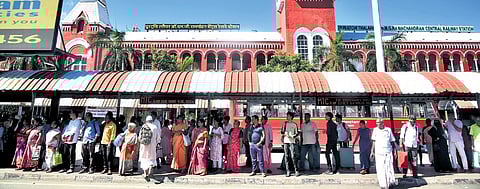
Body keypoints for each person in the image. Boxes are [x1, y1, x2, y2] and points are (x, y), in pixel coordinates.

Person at [371, 118, 397, 189]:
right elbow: (374, 141)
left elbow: (392, 141)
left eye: (379, 122)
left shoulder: (388, 130)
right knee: (380, 169)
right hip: (379, 153)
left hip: (388, 152)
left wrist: (395, 151)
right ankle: (383, 185)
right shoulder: (375, 130)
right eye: (376, 123)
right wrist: (372, 152)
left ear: (382, 123)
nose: (377, 124)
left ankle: (390, 183)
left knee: (389, 168)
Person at [138, 116, 161, 181]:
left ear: (146, 120)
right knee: (151, 158)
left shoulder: (143, 126)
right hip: (152, 146)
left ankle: (145, 173)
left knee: (144, 159)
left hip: (144, 146)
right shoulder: (155, 127)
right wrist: (157, 143)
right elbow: (158, 138)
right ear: (151, 121)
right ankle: (150, 172)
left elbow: (139, 137)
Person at [282, 112, 299, 177]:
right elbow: (282, 131)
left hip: (292, 141)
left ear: (291, 117)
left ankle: (296, 170)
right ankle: (288, 171)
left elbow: (297, 133)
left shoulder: (294, 124)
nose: (287, 117)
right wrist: (285, 134)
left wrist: (293, 136)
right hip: (286, 141)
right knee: (286, 156)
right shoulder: (285, 124)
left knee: (293, 156)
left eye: (288, 115)